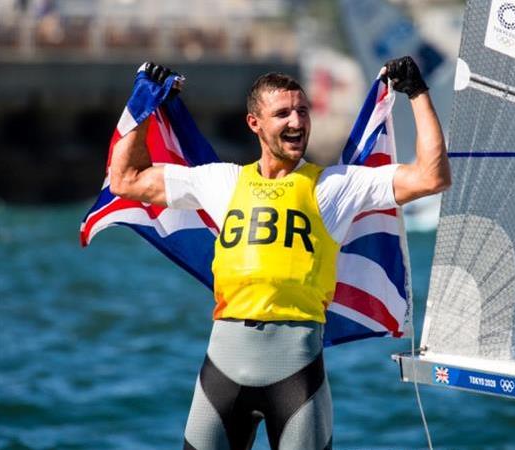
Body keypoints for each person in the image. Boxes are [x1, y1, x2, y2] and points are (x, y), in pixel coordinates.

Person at [109, 56, 451, 450]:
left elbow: (432, 177)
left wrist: (417, 93)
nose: (297, 121)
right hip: (222, 371)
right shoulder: (221, 181)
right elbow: (125, 180)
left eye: (303, 111)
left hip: (296, 376)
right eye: (283, 113)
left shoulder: (335, 186)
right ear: (254, 123)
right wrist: (142, 104)